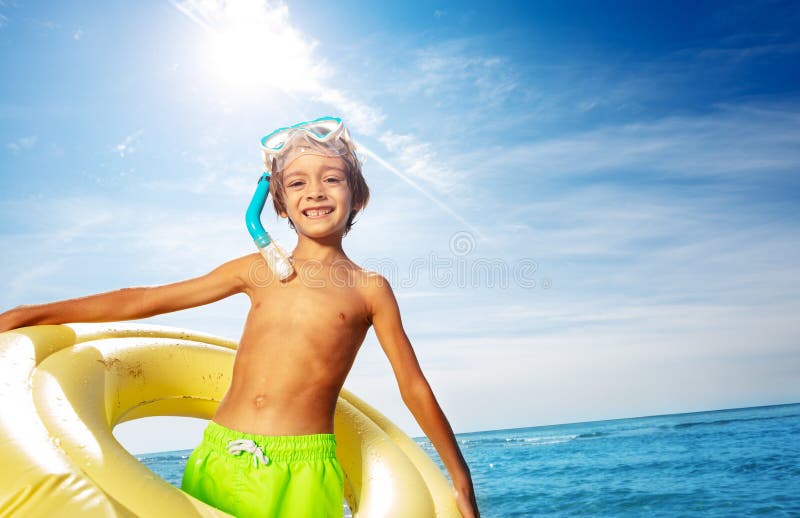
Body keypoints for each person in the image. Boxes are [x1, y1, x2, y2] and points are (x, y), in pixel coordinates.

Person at [0, 117, 480, 518]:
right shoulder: (256, 271)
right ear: (279, 203)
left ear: (357, 196)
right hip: (221, 456)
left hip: (304, 471)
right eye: (297, 182)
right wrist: (33, 312)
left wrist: (459, 477)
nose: (315, 191)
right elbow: (144, 299)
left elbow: (413, 385)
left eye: (331, 178)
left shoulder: (369, 288)